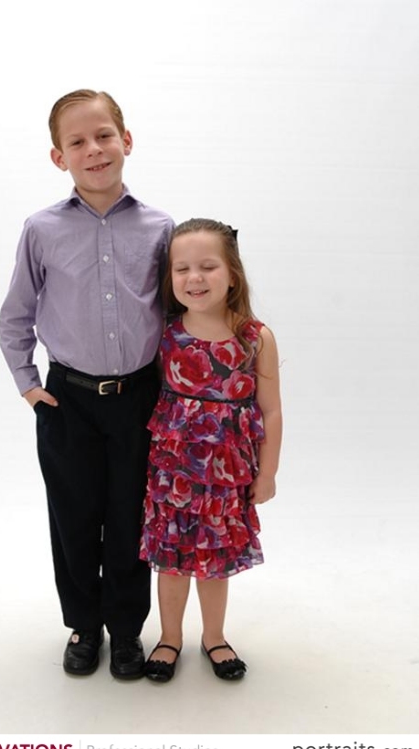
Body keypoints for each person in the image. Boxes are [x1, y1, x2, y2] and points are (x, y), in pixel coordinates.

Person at [0, 89, 174, 679]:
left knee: (130, 516)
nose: (93, 149)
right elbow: (15, 316)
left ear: (127, 141)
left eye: (103, 136)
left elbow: (176, 312)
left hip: (140, 399)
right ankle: (84, 625)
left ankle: (125, 630)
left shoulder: (160, 227)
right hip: (67, 400)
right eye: (77, 142)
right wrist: (29, 386)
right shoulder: (41, 229)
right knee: (73, 517)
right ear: (59, 157)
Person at [139, 218, 282, 683]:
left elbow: (271, 411)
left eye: (207, 266)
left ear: (232, 274)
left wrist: (267, 473)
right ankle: (169, 638)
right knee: (172, 562)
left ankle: (214, 637)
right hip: (173, 476)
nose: (194, 278)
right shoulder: (164, 333)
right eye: (181, 269)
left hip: (225, 479)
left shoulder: (254, 338)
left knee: (214, 564)